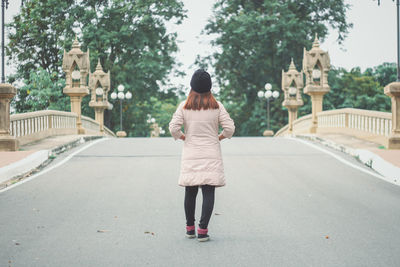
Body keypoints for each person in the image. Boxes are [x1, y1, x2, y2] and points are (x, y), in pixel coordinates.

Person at [169, 69, 235, 242]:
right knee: (208, 191)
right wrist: (218, 137)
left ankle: (190, 228)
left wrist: (184, 137)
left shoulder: (184, 106)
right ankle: (203, 230)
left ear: (192, 86)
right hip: (211, 152)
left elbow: (173, 128)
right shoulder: (217, 106)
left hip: (191, 152)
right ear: (209, 87)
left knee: (190, 191)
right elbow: (230, 129)